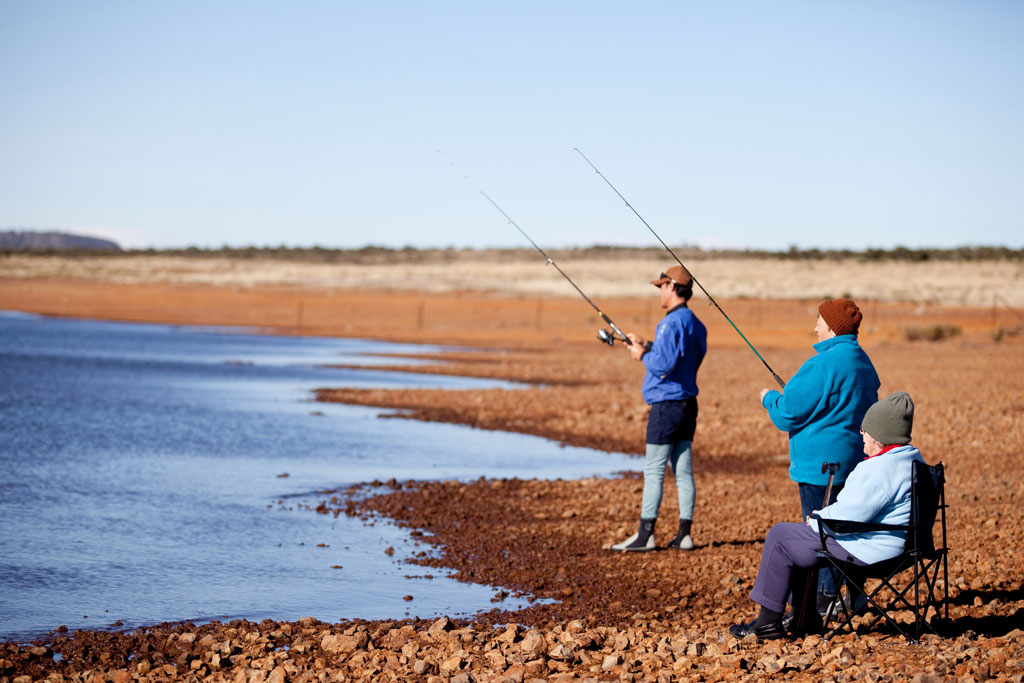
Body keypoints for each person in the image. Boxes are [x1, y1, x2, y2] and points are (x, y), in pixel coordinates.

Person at [729, 391, 923, 640]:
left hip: (872, 549)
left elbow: (849, 515)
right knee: (798, 542)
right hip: (902, 545)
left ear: (880, 437)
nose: (861, 433)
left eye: (865, 429)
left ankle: (766, 623)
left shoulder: (878, 470)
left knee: (780, 536)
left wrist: (819, 518)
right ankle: (805, 616)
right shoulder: (911, 460)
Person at [758, 299, 880, 609]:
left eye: (819, 321)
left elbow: (787, 413)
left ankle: (825, 599)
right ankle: (854, 597)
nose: (815, 327)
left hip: (820, 468)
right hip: (856, 461)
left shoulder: (821, 364)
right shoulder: (862, 360)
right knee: (848, 529)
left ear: (832, 327)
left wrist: (770, 399)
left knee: (820, 534)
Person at [611, 265, 707, 552]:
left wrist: (642, 354)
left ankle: (645, 535)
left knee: (653, 470)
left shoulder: (669, 323)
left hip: (666, 407)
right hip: (688, 405)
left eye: (662, 286)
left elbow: (664, 366)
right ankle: (684, 534)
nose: (660, 291)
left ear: (673, 287)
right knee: (683, 471)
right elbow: (680, 354)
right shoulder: (695, 323)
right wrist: (648, 344)